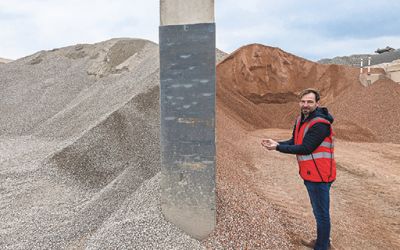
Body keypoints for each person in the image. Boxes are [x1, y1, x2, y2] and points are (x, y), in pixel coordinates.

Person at [261, 88, 336, 250]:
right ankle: (323, 242)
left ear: (317, 103)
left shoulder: (320, 124)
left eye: (310, 102)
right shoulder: (301, 119)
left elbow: (306, 148)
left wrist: (278, 148)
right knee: (318, 212)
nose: (305, 105)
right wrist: (277, 142)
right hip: (311, 173)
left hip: (321, 175)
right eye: (303, 101)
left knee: (321, 213)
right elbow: (295, 141)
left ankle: (322, 246)